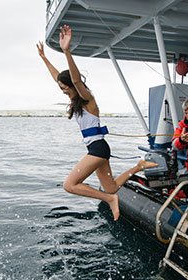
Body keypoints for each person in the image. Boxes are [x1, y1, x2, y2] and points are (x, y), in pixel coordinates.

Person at [36, 25, 157, 221]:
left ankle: (109, 200)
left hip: (98, 150)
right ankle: (137, 167)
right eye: (62, 89)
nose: (63, 91)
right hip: (98, 148)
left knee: (70, 185)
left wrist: (67, 52)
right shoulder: (76, 101)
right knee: (111, 186)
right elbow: (59, 78)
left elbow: (75, 81)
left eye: (65, 88)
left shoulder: (87, 99)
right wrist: (44, 58)